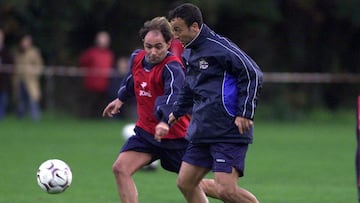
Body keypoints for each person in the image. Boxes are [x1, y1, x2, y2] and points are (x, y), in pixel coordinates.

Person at [165, 3, 263, 203]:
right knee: (185, 182)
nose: (175, 36)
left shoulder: (219, 47)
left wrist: (245, 112)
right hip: (202, 128)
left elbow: (252, 73)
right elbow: (190, 85)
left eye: (178, 30)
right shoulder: (189, 51)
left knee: (227, 191)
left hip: (227, 129)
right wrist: (179, 110)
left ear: (194, 27)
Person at [102, 16, 190, 202]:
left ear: (168, 43)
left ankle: (228, 192)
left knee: (193, 184)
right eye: (148, 46)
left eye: (158, 46)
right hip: (146, 134)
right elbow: (132, 80)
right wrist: (120, 98)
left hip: (175, 138)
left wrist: (165, 122)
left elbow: (172, 97)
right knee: (120, 169)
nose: (152, 52)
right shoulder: (137, 58)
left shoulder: (173, 68)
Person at [79, 31, 114, 118]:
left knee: (101, 105)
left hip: (105, 85)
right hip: (91, 85)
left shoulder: (109, 54)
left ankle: (100, 119)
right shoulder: (91, 53)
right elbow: (82, 64)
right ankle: (86, 119)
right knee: (89, 104)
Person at [12, 34, 44, 121]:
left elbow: (39, 66)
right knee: (21, 100)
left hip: (31, 81)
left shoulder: (34, 52)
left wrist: (34, 73)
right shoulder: (18, 52)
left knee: (33, 100)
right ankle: (20, 119)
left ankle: (35, 118)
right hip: (20, 80)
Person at [0, 28, 12, 120]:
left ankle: (2, 116)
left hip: (3, 80)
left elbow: (11, 64)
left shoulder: (6, 51)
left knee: (4, 99)